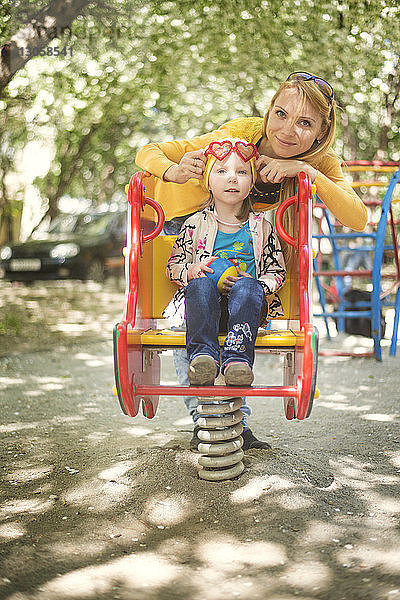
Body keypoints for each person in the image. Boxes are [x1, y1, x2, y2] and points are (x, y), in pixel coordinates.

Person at [135, 71, 368, 448]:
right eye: (281, 113)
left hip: (254, 259)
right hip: (200, 232)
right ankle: (208, 418)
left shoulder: (322, 162)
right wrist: (173, 170)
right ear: (268, 111)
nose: (287, 130)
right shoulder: (239, 136)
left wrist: (306, 170)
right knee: (197, 306)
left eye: (304, 123)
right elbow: (148, 152)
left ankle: (234, 420)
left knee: (242, 320)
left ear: (321, 134)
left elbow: (358, 217)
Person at [164, 138, 286, 451]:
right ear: (208, 180)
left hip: (242, 310)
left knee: (248, 288)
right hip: (202, 307)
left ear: (251, 182)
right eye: (221, 171)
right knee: (200, 286)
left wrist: (258, 283)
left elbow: (277, 272)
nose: (232, 177)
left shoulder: (262, 227)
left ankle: (238, 411)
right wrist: (191, 271)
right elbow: (173, 267)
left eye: (241, 172)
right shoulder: (194, 225)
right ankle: (201, 416)